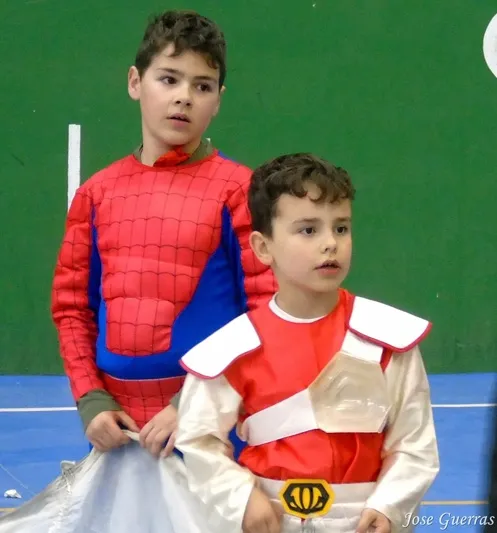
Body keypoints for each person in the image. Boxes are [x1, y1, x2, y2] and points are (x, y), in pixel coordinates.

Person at [51, 9, 276, 460]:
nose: (184, 98)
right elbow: (72, 307)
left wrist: (196, 403)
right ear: (135, 82)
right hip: (117, 435)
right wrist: (91, 400)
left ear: (218, 100)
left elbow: (269, 311)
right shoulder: (96, 194)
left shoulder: (241, 191)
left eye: (202, 86)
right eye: (169, 79)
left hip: (214, 434)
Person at [175, 153, 440, 533]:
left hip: (364, 520)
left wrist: (389, 507)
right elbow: (199, 439)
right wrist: (241, 499)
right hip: (269, 519)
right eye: (308, 230)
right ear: (262, 247)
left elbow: (414, 442)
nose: (330, 243)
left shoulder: (386, 338)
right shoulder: (233, 347)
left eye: (341, 228)